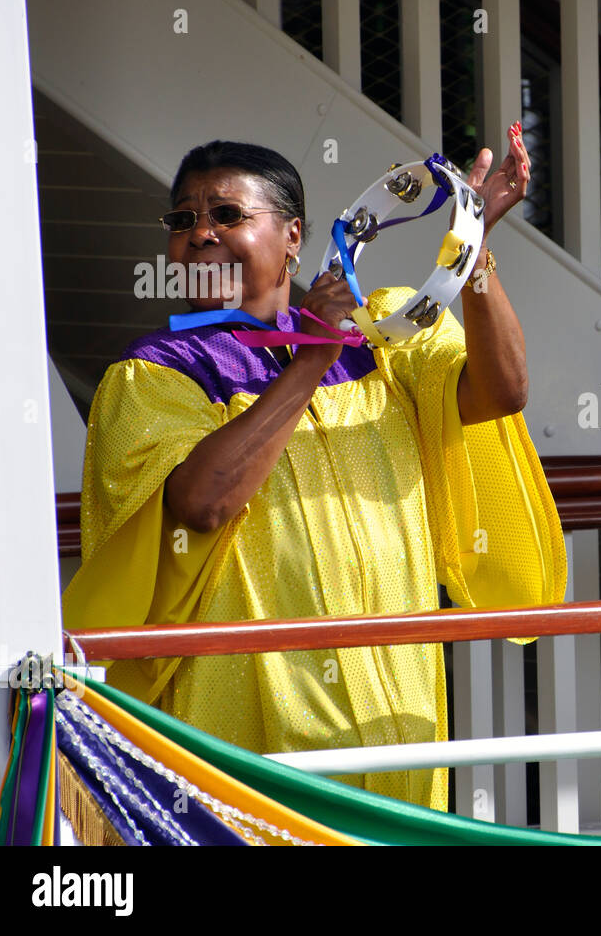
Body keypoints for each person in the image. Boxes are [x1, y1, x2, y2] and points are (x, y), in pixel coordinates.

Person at [61, 136, 566, 809]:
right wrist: (309, 359)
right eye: (182, 220)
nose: (200, 233)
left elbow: (501, 390)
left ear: (294, 236)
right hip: (247, 737)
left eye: (226, 214)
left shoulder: (379, 342)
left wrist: (472, 247)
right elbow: (203, 503)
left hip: (397, 718)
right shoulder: (155, 373)